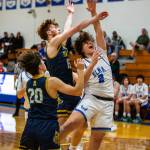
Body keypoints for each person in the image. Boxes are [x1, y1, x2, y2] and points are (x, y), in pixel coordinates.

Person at [38, 2, 108, 149]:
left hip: (73, 90)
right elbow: (75, 29)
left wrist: (70, 13)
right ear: (49, 33)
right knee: (60, 130)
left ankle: (73, 148)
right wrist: (94, 19)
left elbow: (67, 29)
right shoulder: (52, 43)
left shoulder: (59, 44)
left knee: (82, 126)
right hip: (62, 93)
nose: (58, 28)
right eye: (54, 27)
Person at [60, 2, 114, 150]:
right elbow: (82, 83)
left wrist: (93, 12)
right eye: (85, 43)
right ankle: (46, 145)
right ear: (81, 49)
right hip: (92, 99)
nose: (90, 42)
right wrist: (91, 64)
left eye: (90, 41)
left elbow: (98, 30)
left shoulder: (101, 52)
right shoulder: (81, 62)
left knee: (96, 140)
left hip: (108, 103)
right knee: (69, 125)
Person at [18, 50, 84, 150]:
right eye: (42, 61)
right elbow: (78, 91)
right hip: (48, 127)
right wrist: (80, 70)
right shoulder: (51, 81)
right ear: (40, 66)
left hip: (30, 125)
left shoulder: (28, 83)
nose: (44, 62)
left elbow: (20, 95)